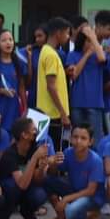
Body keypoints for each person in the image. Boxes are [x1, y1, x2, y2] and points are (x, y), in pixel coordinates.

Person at [0, 117, 53, 219]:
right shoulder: (10, 154)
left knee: (41, 193)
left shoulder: (35, 148)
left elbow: (38, 179)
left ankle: (27, 212)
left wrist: (42, 168)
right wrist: (35, 158)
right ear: (24, 135)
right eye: (33, 130)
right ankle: (3, 216)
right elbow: (22, 184)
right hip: (7, 188)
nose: (37, 132)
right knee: (13, 188)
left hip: (26, 185)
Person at [43, 124, 104, 219]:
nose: (78, 141)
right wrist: (53, 163)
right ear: (70, 139)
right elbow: (53, 173)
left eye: (83, 138)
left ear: (90, 142)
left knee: (71, 214)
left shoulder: (95, 161)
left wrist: (66, 199)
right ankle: (61, 218)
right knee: (47, 181)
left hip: (91, 197)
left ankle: (92, 213)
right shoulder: (68, 152)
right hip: (75, 190)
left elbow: (90, 191)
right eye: (75, 137)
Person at [66, 11, 110, 142]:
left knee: (96, 140)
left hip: (95, 104)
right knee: (78, 139)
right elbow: (74, 75)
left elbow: (102, 58)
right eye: (87, 40)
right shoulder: (73, 55)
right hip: (77, 103)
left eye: (91, 41)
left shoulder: (100, 54)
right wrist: (87, 55)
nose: (91, 43)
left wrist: (93, 38)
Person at [35, 17, 73, 151]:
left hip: (49, 113)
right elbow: (51, 86)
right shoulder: (51, 55)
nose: (68, 37)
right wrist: (63, 114)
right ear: (58, 33)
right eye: (67, 33)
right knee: (56, 152)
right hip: (53, 114)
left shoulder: (46, 51)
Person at [0, 29, 23, 131]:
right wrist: (2, 91)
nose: (8, 43)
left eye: (10, 39)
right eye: (4, 40)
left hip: (13, 105)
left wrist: (25, 107)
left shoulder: (18, 63)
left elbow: (21, 87)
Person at [23, 24, 48, 113]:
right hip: (34, 93)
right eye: (35, 37)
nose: (37, 39)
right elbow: (29, 79)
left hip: (48, 94)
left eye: (40, 36)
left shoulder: (53, 52)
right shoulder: (32, 52)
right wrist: (29, 57)